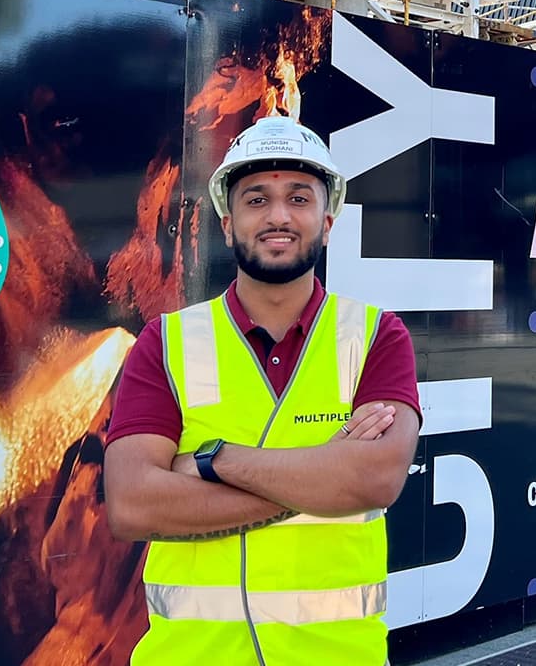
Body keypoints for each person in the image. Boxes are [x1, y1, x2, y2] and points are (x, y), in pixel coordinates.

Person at [103, 116, 421, 665]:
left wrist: (211, 460)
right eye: (256, 199)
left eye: (298, 198)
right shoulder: (168, 342)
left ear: (327, 221)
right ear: (228, 224)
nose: (278, 216)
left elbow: (376, 478)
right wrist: (322, 475)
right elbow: (132, 503)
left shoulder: (376, 335)